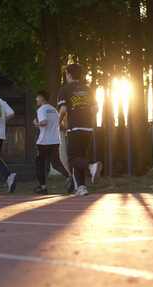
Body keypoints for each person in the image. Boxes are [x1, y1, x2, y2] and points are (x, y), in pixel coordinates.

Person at [57, 64, 100, 196]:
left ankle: (91, 166)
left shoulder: (65, 90)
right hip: (88, 128)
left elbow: (63, 110)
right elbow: (95, 109)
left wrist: (57, 124)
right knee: (80, 156)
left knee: (72, 159)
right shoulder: (88, 89)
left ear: (68, 75)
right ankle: (81, 187)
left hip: (74, 127)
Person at [33, 90, 73, 195]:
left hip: (43, 142)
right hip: (55, 140)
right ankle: (69, 177)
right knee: (56, 163)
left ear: (41, 97)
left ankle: (43, 187)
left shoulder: (41, 109)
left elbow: (44, 122)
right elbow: (60, 125)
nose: (36, 99)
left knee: (39, 164)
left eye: (37, 97)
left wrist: (36, 124)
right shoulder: (54, 110)